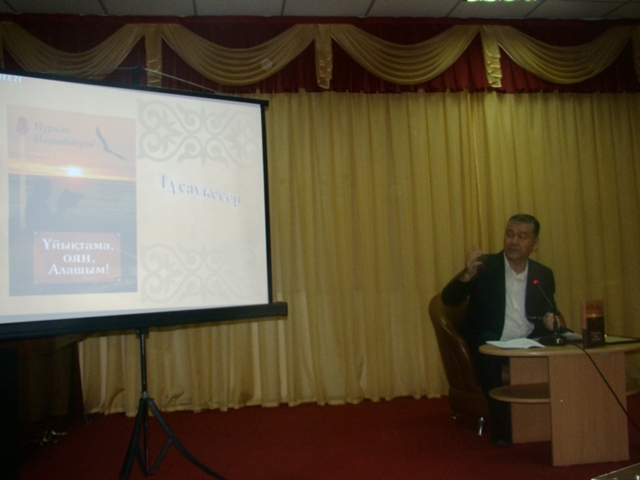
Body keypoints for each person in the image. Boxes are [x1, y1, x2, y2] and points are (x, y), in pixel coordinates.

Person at [441, 214, 565, 446]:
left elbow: (550, 309)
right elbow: (449, 299)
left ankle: (561, 416)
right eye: (509, 234)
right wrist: (467, 275)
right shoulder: (485, 266)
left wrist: (554, 321)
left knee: (565, 344)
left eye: (522, 236)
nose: (514, 241)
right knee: (487, 350)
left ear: (535, 243)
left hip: (527, 337)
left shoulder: (543, 274)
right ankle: (501, 422)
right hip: (491, 336)